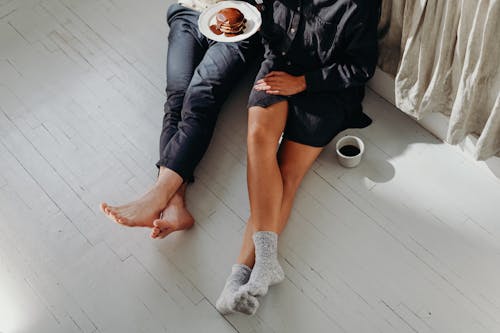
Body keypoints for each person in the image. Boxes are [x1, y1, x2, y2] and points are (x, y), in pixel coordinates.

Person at [216, 0, 381, 315]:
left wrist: (304, 83)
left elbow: (361, 68)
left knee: (287, 173)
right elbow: (269, 28)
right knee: (257, 141)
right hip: (280, 65)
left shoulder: (359, 5)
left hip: (326, 88)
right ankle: (261, 266)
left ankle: (238, 277)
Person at [100, 0, 260, 239]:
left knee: (201, 96)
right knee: (177, 96)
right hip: (190, 11)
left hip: (243, 22)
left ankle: (156, 196)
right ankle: (175, 206)